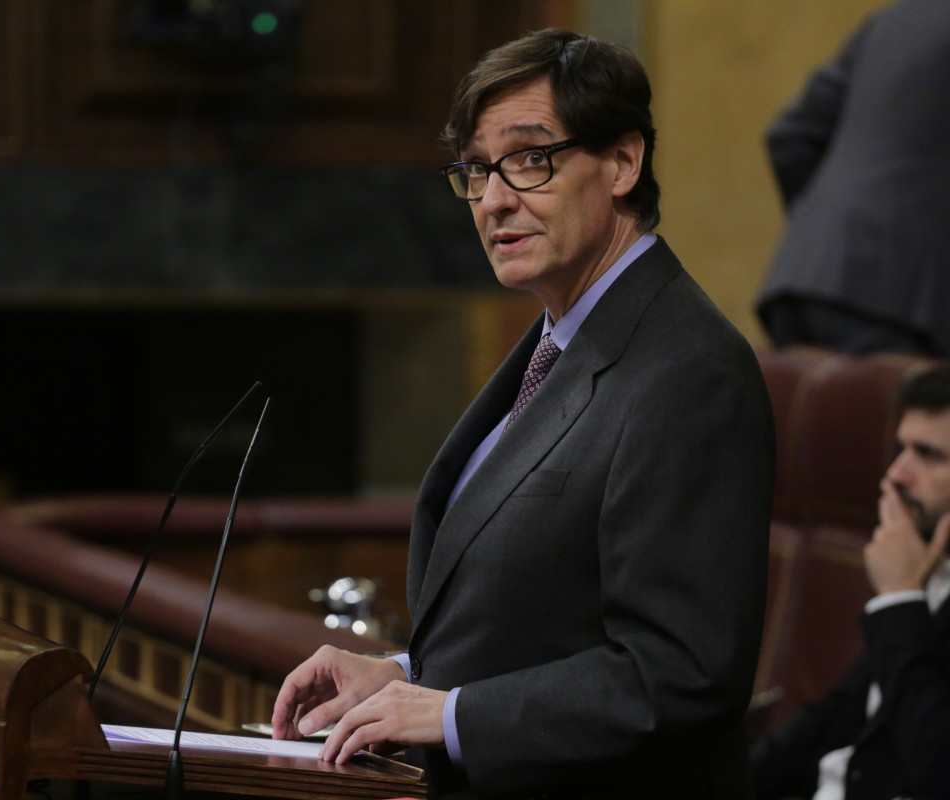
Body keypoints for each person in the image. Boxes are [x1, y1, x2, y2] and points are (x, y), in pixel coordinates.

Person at [271, 28, 775, 799]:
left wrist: (453, 714)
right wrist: (403, 676)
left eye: (530, 159)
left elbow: (681, 671)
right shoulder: (559, 339)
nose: (495, 199)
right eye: (475, 171)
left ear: (622, 162)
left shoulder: (687, 372)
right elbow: (542, 618)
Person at [751, 365, 950, 800]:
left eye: (929, 454)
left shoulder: (909, 590)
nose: (897, 474)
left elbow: (938, 768)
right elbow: (830, 719)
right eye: (901, 449)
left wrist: (900, 599)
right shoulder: (936, 574)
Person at [755, 0, 950, 357]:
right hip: (900, 304)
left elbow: (791, 137)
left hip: (805, 283)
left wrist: (827, 238)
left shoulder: (898, 19)